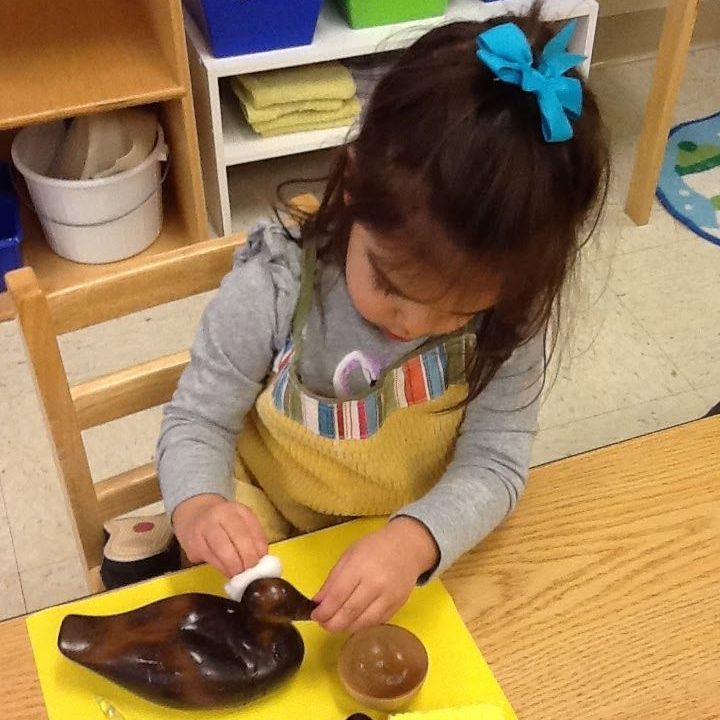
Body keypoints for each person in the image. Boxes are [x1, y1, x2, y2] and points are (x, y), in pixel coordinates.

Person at [157, 8, 609, 634]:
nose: (414, 324)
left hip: (402, 535)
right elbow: (196, 419)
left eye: (461, 308)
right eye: (391, 285)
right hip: (270, 531)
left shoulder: (511, 315)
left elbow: (497, 464)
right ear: (351, 183)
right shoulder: (275, 286)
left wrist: (415, 539)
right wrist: (200, 504)